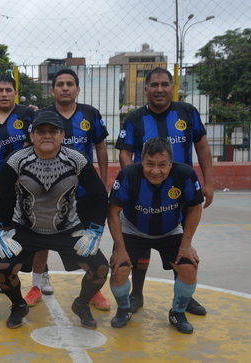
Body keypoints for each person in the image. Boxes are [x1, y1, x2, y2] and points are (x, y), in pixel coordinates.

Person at [0, 111, 109, 329]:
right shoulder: (17, 160)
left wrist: (96, 230)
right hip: (26, 228)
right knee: (3, 269)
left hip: (67, 229)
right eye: (40, 131)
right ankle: (18, 305)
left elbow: (99, 194)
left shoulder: (77, 160)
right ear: (31, 136)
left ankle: (81, 304)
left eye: (53, 131)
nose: (47, 136)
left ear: (62, 135)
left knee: (100, 268)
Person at [116, 67, 213, 316]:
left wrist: (209, 183)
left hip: (178, 192)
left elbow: (202, 147)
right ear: (146, 89)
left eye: (165, 84)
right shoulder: (135, 118)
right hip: (143, 193)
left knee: (180, 242)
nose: (160, 89)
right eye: (154, 85)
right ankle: (136, 293)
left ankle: (184, 299)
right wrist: (135, 182)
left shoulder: (188, 112)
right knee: (140, 241)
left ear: (172, 87)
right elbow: (125, 153)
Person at [27, 68, 111, 310]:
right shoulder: (43, 115)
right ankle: (35, 285)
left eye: (70, 84)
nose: (65, 88)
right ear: (52, 90)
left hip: (83, 192)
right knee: (40, 240)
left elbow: (101, 148)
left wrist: (103, 182)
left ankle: (93, 289)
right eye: (60, 84)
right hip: (48, 192)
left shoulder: (90, 114)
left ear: (77, 89)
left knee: (87, 239)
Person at [108, 137, 203, 333]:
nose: (155, 171)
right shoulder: (128, 175)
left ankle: (177, 313)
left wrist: (186, 245)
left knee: (189, 269)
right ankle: (124, 309)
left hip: (170, 231)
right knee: (119, 270)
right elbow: (113, 211)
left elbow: (195, 207)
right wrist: (119, 249)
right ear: (141, 161)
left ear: (171, 163)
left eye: (162, 165)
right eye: (149, 164)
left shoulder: (185, 174)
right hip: (132, 229)